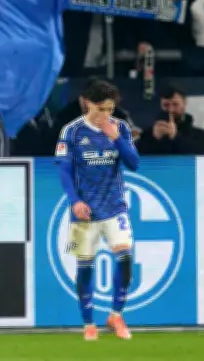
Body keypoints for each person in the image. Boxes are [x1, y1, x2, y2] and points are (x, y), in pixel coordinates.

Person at [54, 80, 139, 342]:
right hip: (85, 212)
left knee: (125, 258)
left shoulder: (120, 128)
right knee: (85, 265)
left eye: (110, 109)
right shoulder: (72, 131)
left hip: (114, 207)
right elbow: (64, 170)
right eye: (101, 109)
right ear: (88, 104)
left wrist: (116, 138)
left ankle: (116, 315)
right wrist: (74, 201)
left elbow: (134, 163)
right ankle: (88, 323)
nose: (106, 114)